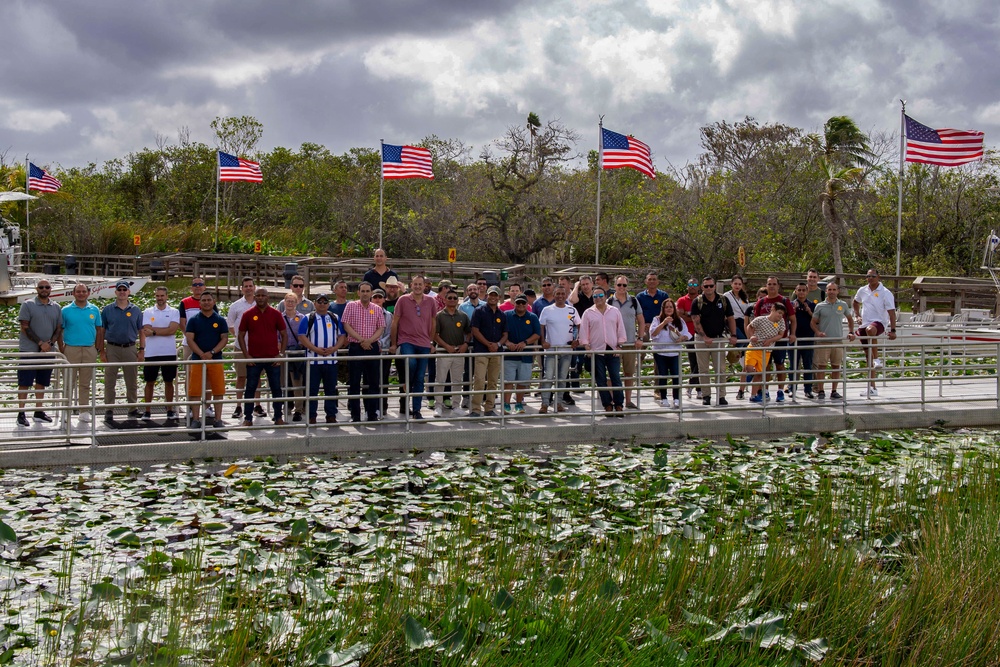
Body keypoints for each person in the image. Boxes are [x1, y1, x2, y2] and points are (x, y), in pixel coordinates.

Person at [390, 274, 438, 419]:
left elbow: (433, 322)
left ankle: (416, 410)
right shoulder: (403, 300)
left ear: (425, 286)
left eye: (420, 284)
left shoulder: (430, 301)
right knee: (410, 363)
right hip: (407, 340)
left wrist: (431, 341)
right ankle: (406, 382)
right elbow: (395, 322)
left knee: (420, 377)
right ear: (411, 285)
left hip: (423, 343)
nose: (417, 286)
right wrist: (394, 343)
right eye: (415, 284)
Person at [237, 288, 287, 426]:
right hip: (254, 359)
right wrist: (246, 355)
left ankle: (278, 417)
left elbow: (284, 334)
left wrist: (281, 355)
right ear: (254, 297)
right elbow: (240, 335)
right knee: (250, 388)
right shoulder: (248, 314)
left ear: (268, 297)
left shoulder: (276, 314)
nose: (260, 298)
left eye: (263, 295)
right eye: (257, 295)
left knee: (276, 389)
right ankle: (248, 418)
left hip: (272, 359)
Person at [16, 280, 63, 427]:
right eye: (41, 287)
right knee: (25, 383)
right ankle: (21, 413)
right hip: (29, 350)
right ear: (37, 289)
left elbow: (58, 328)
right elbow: (25, 327)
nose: (44, 289)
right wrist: (40, 343)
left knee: (42, 382)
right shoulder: (28, 304)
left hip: (47, 351)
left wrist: (49, 343)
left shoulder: (56, 307)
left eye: (47, 287)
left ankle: (39, 411)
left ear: (51, 289)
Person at [101, 281, 145, 422]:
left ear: (129, 292)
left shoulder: (136, 310)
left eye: (124, 289)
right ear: (115, 292)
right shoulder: (107, 310)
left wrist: (142, 349)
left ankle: (132, 409)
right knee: (109, 381)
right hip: (112, 348)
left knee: (131, 381)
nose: (121, 292)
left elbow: (141, 331)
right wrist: (101, 351)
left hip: (130, 348)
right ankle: (109, 409)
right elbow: (101, 331)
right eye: (119, 289)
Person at [341, 281, 386, 423]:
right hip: (356, 347)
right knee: (354, 382)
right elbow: (346, 325)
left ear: (371, 293)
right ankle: (355, 415)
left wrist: (370, 341)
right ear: (358, 292)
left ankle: (372, 414)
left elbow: (381, 328)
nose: (365, 293)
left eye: (368, 291)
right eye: (363, 291)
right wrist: (361, 340)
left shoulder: (377, 309)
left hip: (372, 348)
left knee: (373, 382)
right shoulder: (351, 306)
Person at [298, 293, 346, 424]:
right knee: (312, 389)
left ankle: (331, 415)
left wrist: (334, 348)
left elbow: (342, 335)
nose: (322, 304)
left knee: (331, 389)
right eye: (320, 302)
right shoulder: (308, 318)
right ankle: (311, 415)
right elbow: (301, 336)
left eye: (325, 302)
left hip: (331, 360)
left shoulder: (335, 317)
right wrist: (315, 349)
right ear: (315, 303)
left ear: (329, 304)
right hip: (313, 361)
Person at [578, 287, 627, 414]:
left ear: (606, 296)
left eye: (600, 295)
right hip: (596, 350)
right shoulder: (588, 313)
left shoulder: (615, 311)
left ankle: (619, 404)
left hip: (612, 349)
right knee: (600, 379)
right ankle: (607, 404)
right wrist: (587, 346)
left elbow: (620, 328)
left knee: (615, 377)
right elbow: (583, 331)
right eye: (595, 296)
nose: (598, 298)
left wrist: (620, 345)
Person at [690, 276, 737, 406]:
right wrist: (704, 337)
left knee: (721, 369)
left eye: (711, 286)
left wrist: (733, 335)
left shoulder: (723, 299)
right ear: (702, 287)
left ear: (715, 286)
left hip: (719, 337)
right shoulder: (697, 301)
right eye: (706, 286)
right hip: (701, 338)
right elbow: (695, 321)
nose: (709, 288)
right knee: (703, 369)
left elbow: (731, 317)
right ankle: (706, 395)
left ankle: (721, 396)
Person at [184, 293, 228, 429]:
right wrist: (201, 353)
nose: (206, 302)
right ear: (200, 303)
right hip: (197, 360)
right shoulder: (193, 320)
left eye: (209, 300)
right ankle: (196, 419)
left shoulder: (220, 320)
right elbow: (190, 339)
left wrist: (212, 352)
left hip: (216, 360)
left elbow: (224, 338)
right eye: (204, 300)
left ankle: (218, 419)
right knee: (195, 391)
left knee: (218, 390)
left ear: (214, 301)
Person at [60, 283, 102, 423]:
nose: (81, 294)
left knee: (85, 383)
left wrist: (98, 348)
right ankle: (66, 410)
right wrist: (61, 348)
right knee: (68, 382)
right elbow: (59, 330)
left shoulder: (94, 309)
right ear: (74, 293)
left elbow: (99, 329)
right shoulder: (65, 310)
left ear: (88, 293)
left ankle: (84, 411)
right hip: (71, 348)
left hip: (89, 349)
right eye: (78, 291)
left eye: (84, 291)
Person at [853, 268, 897, 398]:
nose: (870, 278)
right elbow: (855, 302)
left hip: (879, 323)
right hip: (864, 323)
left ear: (878, 276)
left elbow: (891, 313)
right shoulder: (862, 290)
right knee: (868, 356)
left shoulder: (885, 292)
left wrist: (893, 330)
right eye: (868, 276)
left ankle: (878, 359)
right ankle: (872, 387)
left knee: (870, 330)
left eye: (872, 276)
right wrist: (857, 316)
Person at [752, 277, 796, 403]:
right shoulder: (761, 302)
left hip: (779, 339)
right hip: (763, 341)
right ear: (766, 286)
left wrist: (792, 334)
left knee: (780, 365)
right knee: (765, 366)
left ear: (778, 286)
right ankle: (764, 391)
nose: (771, 286)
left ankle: (780, 391)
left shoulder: (784, 301)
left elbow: (793, 319)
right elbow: (755, 322)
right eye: (769, 284)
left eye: (774, 284)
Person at [140, 286, 180, 420]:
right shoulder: (148, 311)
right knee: (149, 382)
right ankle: (147, 411)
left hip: (169, 352)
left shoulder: (174, 311)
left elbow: (172, 330)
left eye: (162, 296)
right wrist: (164, 329)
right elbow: (146, 330)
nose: (160, 298)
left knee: (169, 381)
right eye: (157, 296)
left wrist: (155, 332)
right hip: (151, 353)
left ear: (167, 296)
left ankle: (169, 409)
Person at [538, 285, 579, 414]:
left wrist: (576, 339)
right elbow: (541, 326)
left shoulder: (572, 310)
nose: (560, 296)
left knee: (562, 378)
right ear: (554, 295)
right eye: (558, 294)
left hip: (567, 349)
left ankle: (559, 403)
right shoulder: (547, 310)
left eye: (563, 294)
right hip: (551, 349)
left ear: (566, 295)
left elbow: (579, 324)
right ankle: (545, 403)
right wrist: (543, 341)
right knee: (548, 377)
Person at [811, 282, 856, 400]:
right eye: (829, 289)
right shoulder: (820, 306)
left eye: (833, 289)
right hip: (824, 341)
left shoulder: (843, 305)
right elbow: (813, 322)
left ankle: (834, 390)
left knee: (836, 366)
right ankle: (821, 390)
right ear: (826, 291)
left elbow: (850, 320)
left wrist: (851, 332)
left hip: (837, 341)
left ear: (837, 291)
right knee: (822, 366)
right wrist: (818, 332)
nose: (831, 291)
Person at [470, 285, 508, 417]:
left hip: (496, 352)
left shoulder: (502, 315)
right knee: (479, 380)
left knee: (493, 381)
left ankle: (489, 408)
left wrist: (497, 345)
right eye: (491, 295)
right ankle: (475, 409)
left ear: (499, 297)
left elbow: (505, 334)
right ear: (487, 295)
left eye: (495, 295)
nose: (493, 297)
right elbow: (475, 330)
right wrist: (488, 344)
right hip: (481, 350)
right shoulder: (479, 311)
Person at [609, 275, 646, 409]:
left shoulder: (634, 301)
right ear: (615, 286)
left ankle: (628, 400)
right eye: (619, 285)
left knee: (629, 373)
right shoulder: (609, 301)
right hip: (614, 344)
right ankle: (613, 400)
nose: (622, 288)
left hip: (630, 343)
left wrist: (640, 338)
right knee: (612, 373)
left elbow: (641, 321)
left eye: (624, 285)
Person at [433, 289, 471, 417]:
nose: (452, 300)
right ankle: (438, 405)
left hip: (458, 353)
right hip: (443, 352)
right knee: (440, 380)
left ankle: (456, 406)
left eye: (455, 298)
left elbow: (469, 332)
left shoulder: (463, 316)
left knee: (457, 380)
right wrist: (446, 346)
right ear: (445, 299)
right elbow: (434, 335)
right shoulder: (439, 316)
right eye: (450, 298)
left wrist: (465, 344)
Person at [226, 277, 260, 420]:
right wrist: (240, 337)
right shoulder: (236, 305)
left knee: (257, 377)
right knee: (241, 377)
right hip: (241, 347)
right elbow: (230, 325)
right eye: (245, 286)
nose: (248, 288)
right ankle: (238, 406)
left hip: (258, 348)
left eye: (250, 286)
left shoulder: (261, 304)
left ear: (254, 287)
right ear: (242, 289)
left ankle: (258, 405)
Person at [502, 294, 541, 414]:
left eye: (523, 303)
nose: (520, 305)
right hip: (509, 354)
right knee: (508, 381)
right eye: (518, 303)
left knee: (522, 382)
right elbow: (500, 331)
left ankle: (519, 404)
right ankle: (506, 405)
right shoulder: (506, 315)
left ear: (527, 304)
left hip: (526, 355)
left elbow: (537, 333)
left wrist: (525, 343)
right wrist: (507, 342)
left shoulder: (533, 317)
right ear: (514, 303)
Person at [649, 298, 691, 407]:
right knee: (662, 375)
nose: (669, 309)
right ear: (663, 309)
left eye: (671, 307)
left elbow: (687, 334)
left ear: (674, 309)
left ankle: (676, 398)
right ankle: (664, 398)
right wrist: (664, 323)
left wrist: (682, 338)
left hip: (675, 352)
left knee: (676, 376)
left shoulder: (679, 321)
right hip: (660, 353)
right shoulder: (657, 320)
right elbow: (653, 334)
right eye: (666, 307)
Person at [746, 302, 788, 403]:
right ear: (772, 309)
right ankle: (748, 379)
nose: (780, 315)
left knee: (760, 374)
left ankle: (753, 395)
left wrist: (770, 340)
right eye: (778, 312)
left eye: (782, 314)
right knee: (749, 368)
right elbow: (749, 326)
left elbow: (781, 334)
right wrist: (751, 336)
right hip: (754, 348)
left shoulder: (781, 321)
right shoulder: (760, 319)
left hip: (766, 351)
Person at [280, 292, 307, 422]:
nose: (290, 303)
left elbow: (304, 335)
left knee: (297, 382)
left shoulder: (302, 317)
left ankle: (298, 409)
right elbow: (277, 335)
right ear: (284, 302)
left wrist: (299, 347)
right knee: (284, 381)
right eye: (288, 301)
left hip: (297, 353)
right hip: (284, 353)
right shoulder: (279, 317)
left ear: (296, 303)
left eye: (292, 301)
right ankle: (285, 406)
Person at [723, 275, 751, 398]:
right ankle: (735, 354)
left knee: (746, 342)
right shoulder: (726, 296)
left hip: (743, 322)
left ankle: (740, 356)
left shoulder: (744, 297)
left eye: (739, 284)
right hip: (731, 321)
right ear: (731, 284)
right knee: (741, 340)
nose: (737, 286)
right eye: (735, 284)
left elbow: (747, 311)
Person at [675, 277, 702, 399]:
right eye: (690, 284)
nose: (692, 286)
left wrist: (689, 314)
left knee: (701, 361)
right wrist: (693, 316)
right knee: (693, 361)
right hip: (689, 334)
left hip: (701, 334)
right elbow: (680, 317)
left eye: (695, 284)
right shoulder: (681, 300)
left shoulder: (702, 300)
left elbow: (702, 317)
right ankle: (696, 387)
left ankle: (694, 386)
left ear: (699, 287)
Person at [790, 282, 817, 398]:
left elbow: (817, 321)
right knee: (793, 365)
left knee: (808, 364)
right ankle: (792, 388)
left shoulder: (812, 305)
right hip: (794, 338)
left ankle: (808, 389)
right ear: (795, 292)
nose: (801, 292)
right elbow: (786, 319)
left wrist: (809, 311)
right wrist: (793, 311)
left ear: (807, 292)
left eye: (803, 290)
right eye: (799, 290)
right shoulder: (790, 305)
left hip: (808, 338)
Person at [373, 289, 393, 417]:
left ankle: (383, 406)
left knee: (384, 380)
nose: (378, 299)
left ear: (384, 299)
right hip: (371, 351)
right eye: (375, 297)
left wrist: (380, 343)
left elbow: (389, 333)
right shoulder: (367, 313)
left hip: (384, 352)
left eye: (380, 297)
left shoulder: (389, 315)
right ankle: (372, 407)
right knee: (371, 381)